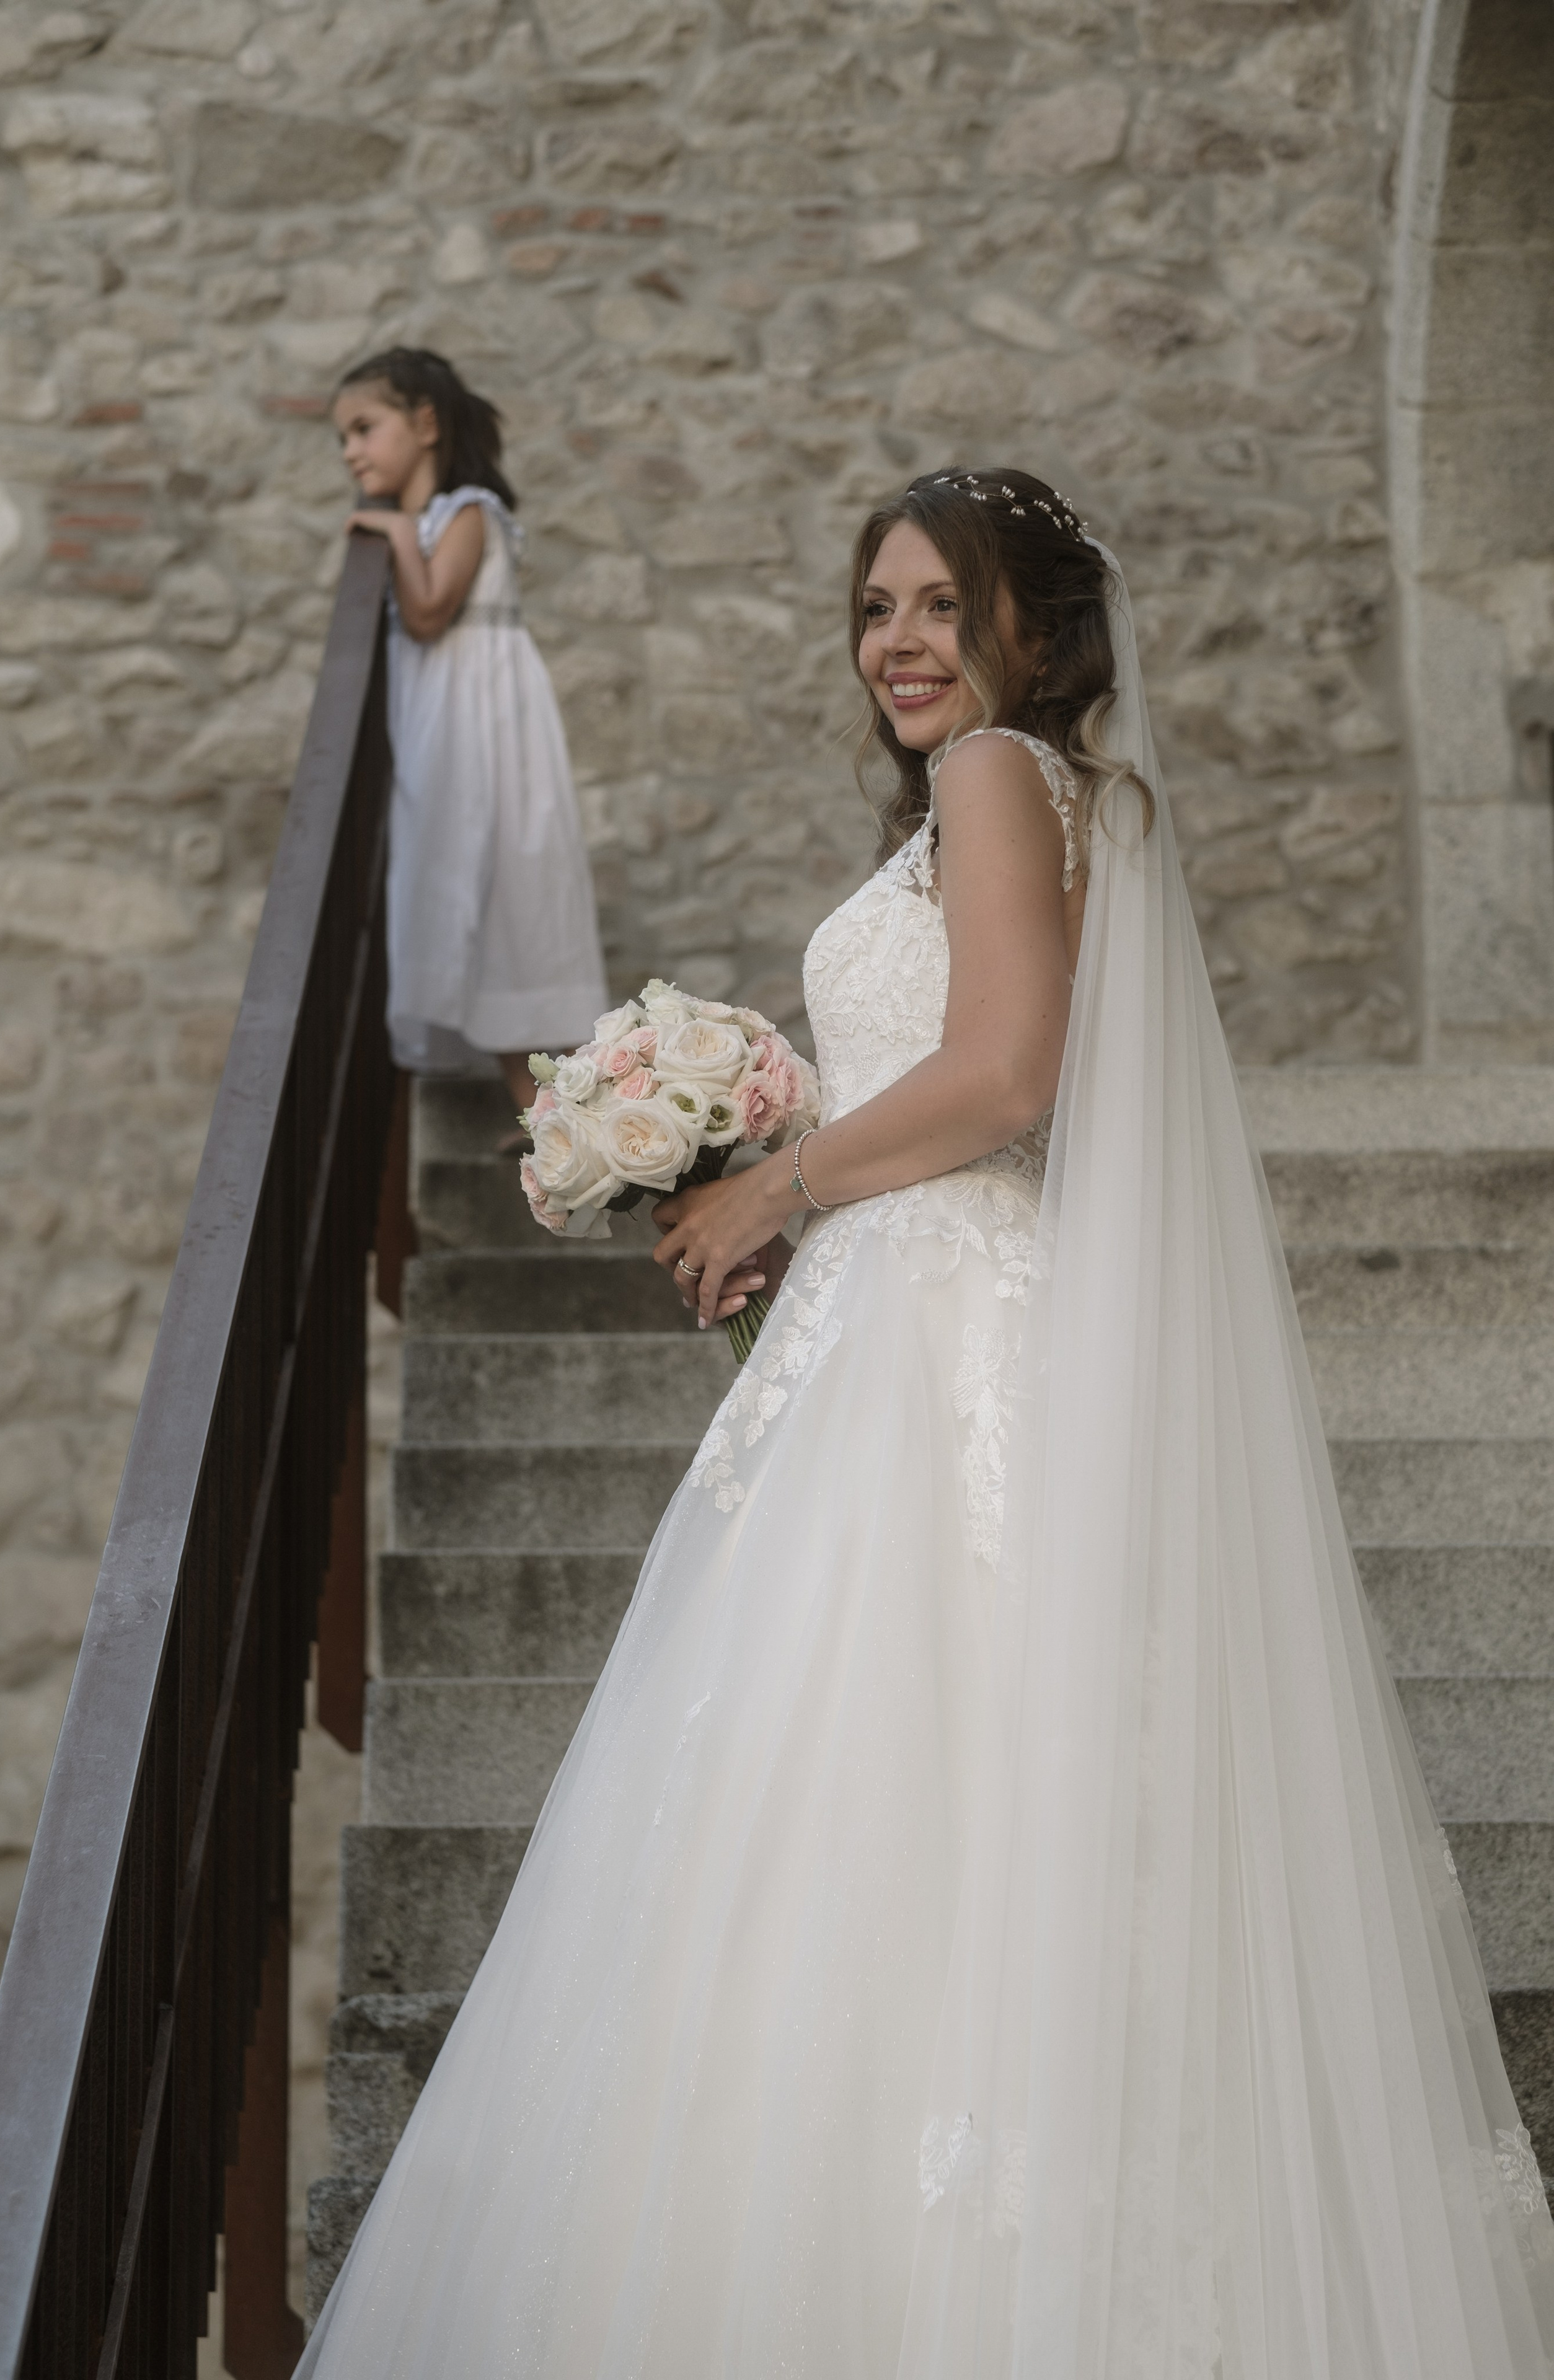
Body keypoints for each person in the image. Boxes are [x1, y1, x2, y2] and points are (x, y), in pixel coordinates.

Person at [296, 469, 1554, 2378]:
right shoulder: (1039, 800)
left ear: (1029, 635)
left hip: (952, 1345)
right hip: (913, 1323)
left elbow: (1005, 1068)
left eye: (937, 605)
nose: (896, 637)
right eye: (872, 604)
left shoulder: (994, 780)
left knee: (896, 1789)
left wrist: (773, 1180)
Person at [334, 348, 607, 1126]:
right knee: (462, 892)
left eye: (364, 428)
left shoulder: (466, 510)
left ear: (424, 424)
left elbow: (428, 613)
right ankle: (541, 1116)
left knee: (504, 891)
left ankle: (554, 1118)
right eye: (343, 438)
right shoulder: (423, 520)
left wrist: (390, 534)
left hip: (483, 728)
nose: (351, 451)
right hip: (441, 733)